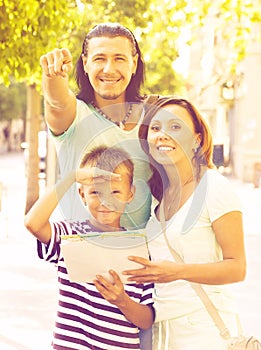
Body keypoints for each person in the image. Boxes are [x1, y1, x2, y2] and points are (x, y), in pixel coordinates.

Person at [123, 97, 247, 350]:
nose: (163, 135)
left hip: (205, 330)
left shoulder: (213, 186)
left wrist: (177, 272)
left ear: (197, 140)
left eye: (176, 127)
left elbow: (237, 267)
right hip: (164, 331)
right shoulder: (161, 195)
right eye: (155, 128)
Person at [24, 145, 155, 350]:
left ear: (130, 194)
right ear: (82, 195)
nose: (105, 200)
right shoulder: (70, 235)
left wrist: (121, 300)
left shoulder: (140, 249)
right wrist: (71, 177)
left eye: (115, 191)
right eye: (95, 192)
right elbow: (33, 223)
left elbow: (147, 320)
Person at [39, 22, 155, 229]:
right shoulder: (74, 114)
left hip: (141, 254)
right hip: (82, 253)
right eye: (99, 59)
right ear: (85, 64)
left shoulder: (153, 119)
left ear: (134, 63)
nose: (109, 69)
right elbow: (56, 101)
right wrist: (52, 76)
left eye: (119, 59)